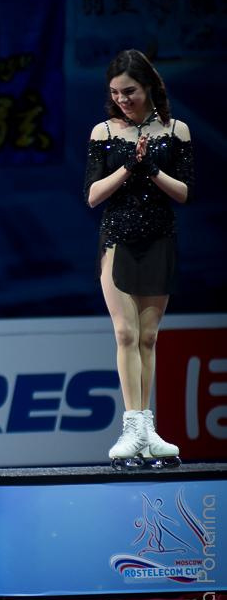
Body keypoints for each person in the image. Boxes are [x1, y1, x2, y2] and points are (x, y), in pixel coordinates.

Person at [84, 49, 194, 469]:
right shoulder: (103, 131)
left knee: (149, 338)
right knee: (125, 335)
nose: (122, 99)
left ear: (148, 86)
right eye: (115, 93)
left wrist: (153, 170)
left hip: (160, 238)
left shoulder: (176, 129)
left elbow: (185, 192)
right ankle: (131, 425)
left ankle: (148, 431)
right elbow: (93, 196)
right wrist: (130, 166)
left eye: (128, 91)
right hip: (117, 240)